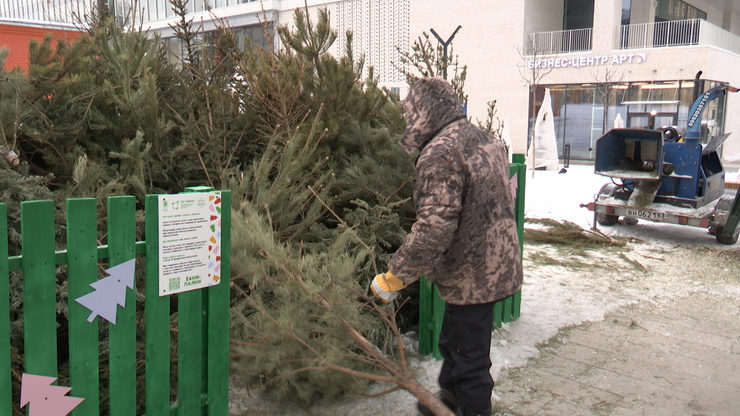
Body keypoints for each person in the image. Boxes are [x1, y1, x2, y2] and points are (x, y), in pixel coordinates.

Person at [370, 77, 523, 416]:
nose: (408, 119)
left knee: (469, 361)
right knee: (455, 343)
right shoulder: (484, 139)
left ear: (425, 111)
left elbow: (434, 227)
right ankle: (447, 404)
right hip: (496, 263)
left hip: (472, 274)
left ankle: (469, 407)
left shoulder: (440, 152)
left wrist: (395, 276)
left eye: (412, 111)